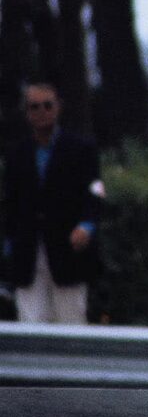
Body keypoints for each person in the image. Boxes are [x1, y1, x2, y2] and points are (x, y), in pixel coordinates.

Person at [2, 83, 103, 324]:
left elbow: (96, 192)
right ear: (27, 113)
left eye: (48, 105)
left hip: (68, 249)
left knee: (72, 320)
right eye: (34, 107)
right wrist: (9, 243)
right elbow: (10, 202)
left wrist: (87, 225)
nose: (42, 111)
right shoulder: (17, 154)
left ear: (58, 107)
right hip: (28, 252)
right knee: (30, 321)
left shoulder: (81, 149)